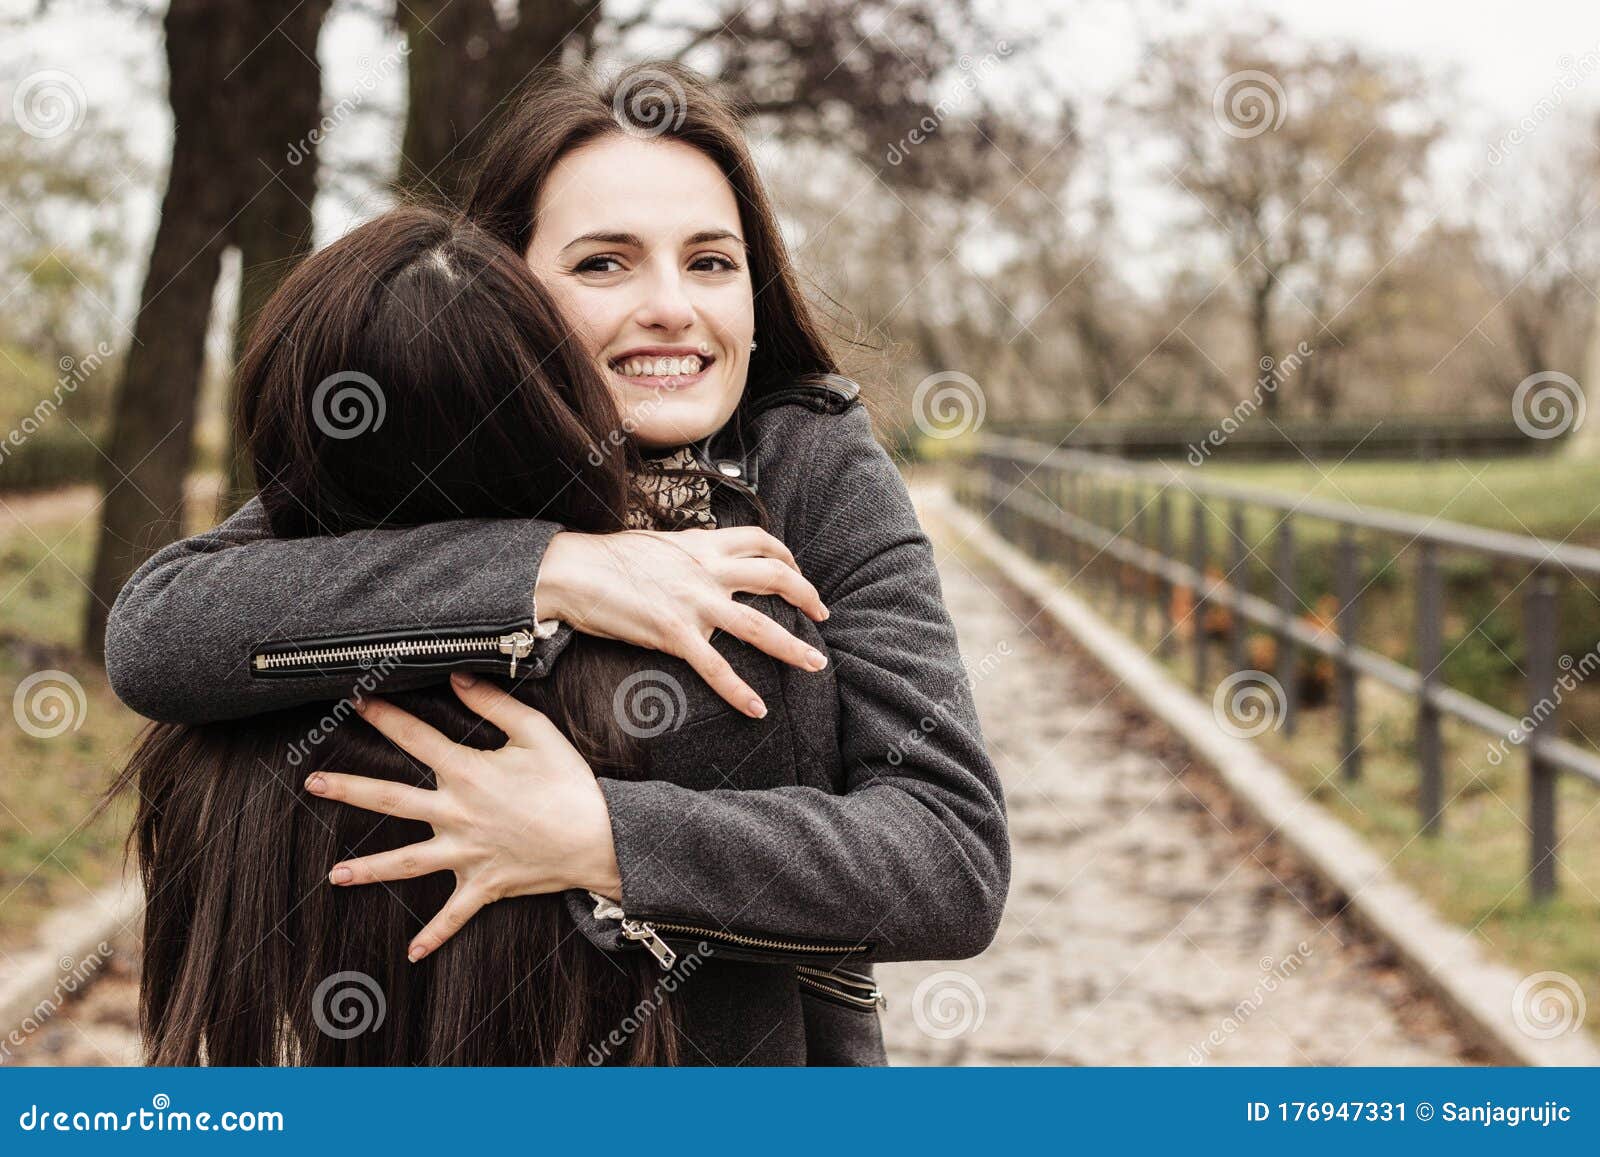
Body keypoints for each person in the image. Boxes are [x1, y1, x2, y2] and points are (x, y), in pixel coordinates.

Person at [105, 63, 1010, 1066]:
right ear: (508, 287)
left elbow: (949, 854)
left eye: (711, 262)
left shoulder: (811, 462)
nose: (671, 306)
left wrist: (604, 834)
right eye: (603, 264)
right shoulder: (440, 443)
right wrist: (549, 569)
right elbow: (162, 629)